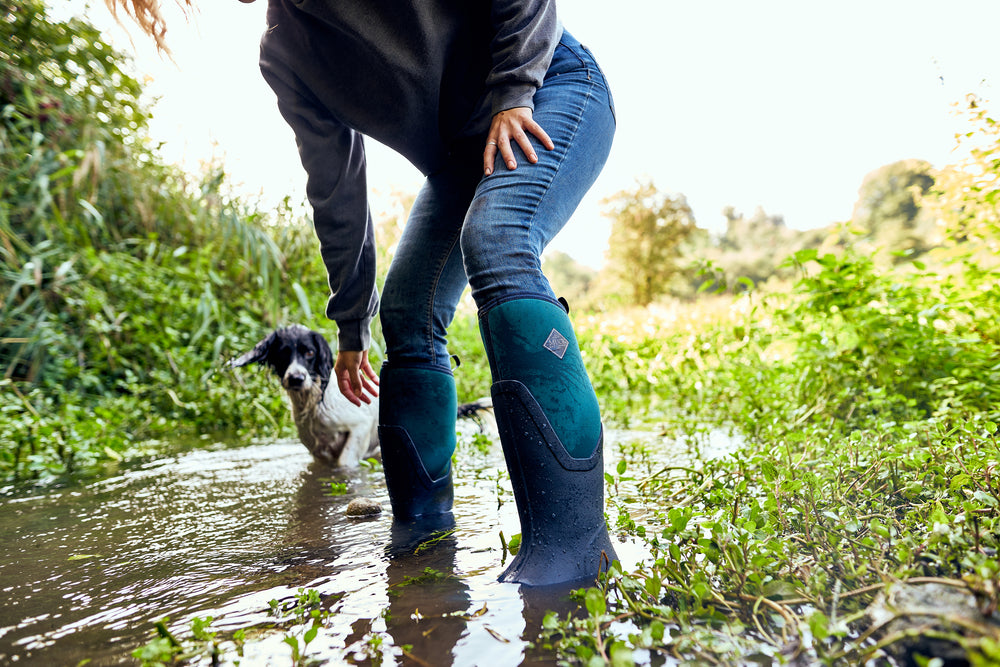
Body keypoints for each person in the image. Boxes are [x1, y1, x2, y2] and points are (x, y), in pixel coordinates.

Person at [115, 0, 618, 587]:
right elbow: (338, 194)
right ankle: (423, 529)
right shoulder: (285, 53)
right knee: (405, 313)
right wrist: (352, 326)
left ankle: (572, 546)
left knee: (498, 239)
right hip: (459, 157)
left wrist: (512, 89)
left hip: (548, 87)